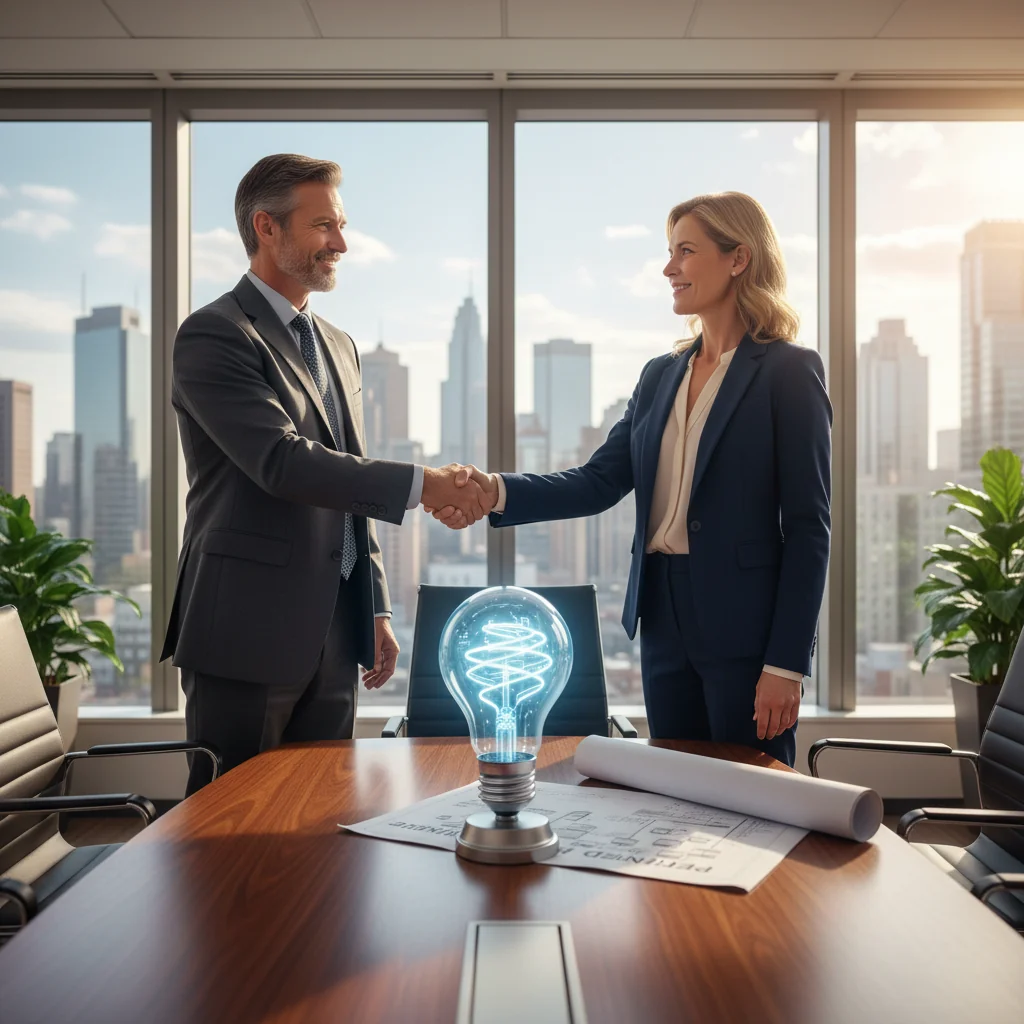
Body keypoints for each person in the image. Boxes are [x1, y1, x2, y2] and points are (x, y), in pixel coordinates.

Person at [430, 192, 832, 767]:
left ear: (738, 258)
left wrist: (786, 663)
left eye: (685, 252)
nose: (669, 269)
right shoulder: (660, 375)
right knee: (672, 791)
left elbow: (808, 527)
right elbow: (597, 481)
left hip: (745, 626)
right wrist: (494, 490)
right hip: (662, 613)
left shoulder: (789, 372)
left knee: (751, 800)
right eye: (669, 253)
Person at [161, 153, 489, 793]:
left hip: (336, 633)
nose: (341, 243)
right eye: (322, 227)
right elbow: (282, 463)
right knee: (229, 831)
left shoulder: (337, 343)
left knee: (318, 820)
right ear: (267, 228)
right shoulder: (214, 334)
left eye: (341, 225)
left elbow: (348, 478)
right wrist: (427, 486)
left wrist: (375, 604)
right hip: (246, 633)